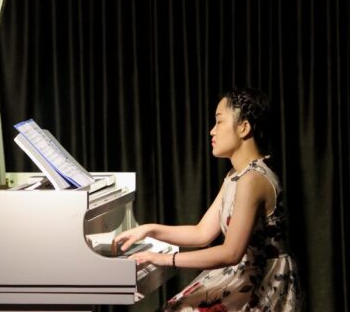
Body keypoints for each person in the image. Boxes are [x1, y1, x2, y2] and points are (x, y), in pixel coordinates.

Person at [114, 88, 302, 311]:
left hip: (264, 283)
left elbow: (230, 253)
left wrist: (164, 258)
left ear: (244, 127)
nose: (212, 131)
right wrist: (149, 229)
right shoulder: (235, 175)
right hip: (243, 275)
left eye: (219, 122)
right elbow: (202, 232)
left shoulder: (253, 179)